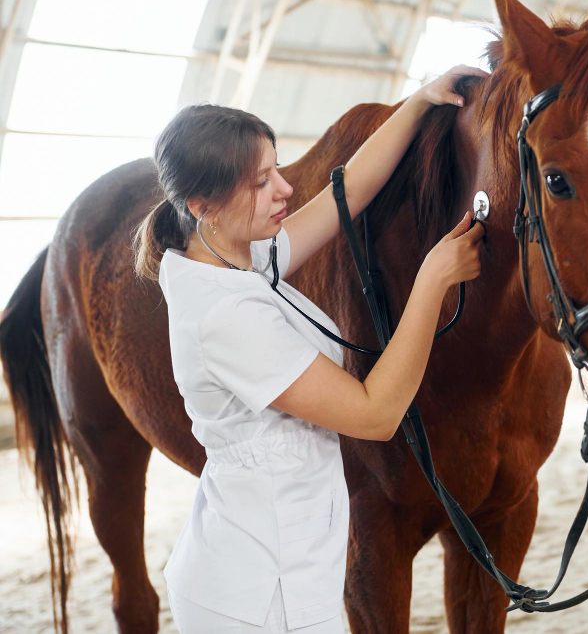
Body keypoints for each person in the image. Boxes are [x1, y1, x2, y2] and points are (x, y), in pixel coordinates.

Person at [132, 64, 488, 633]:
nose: (284, 190)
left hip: (282, 565)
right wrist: (432, 280)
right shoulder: (226, 315)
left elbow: (346, 196)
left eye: (276, 170)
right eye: (261, 182)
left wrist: (419, 102)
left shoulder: (239, 258)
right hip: (257, 596)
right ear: (202, 205)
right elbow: (374, 413)